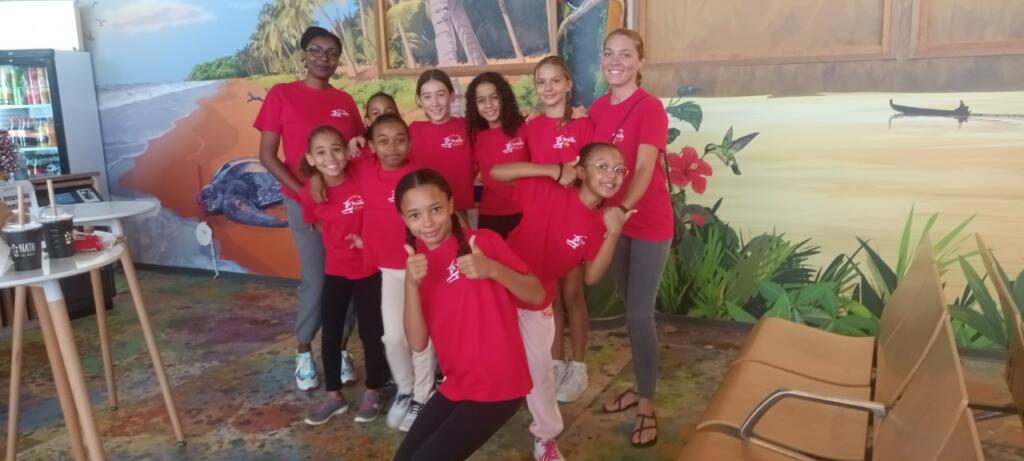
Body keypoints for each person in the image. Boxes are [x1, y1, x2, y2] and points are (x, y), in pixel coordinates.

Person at [491, 142, 634, 460]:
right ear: (581, 171)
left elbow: (592, 277)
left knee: (541, 372)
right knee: (482, 358)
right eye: (602, 166)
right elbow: (497, 172)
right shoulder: (548, 190)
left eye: (618, 170)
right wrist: (553, 170)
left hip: (537, 299)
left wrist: (613, 234)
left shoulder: (600, 222)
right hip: (499, 289)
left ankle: (545, 438)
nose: (611, 175)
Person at [393, 169, 544, 461]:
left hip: (498, 385)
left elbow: (537, 295)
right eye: (415, 215)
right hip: (458, 383)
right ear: (404, 219)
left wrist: (493, 269)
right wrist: (411, 285)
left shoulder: (484, 242)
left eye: (436, 209)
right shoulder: (418, 265)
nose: (428, 223)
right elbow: (418, 343)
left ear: (451, 205)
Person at [253, 26, 365, 391]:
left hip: (346, 204)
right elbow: (267, 156)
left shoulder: (344, 101)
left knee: (349, 275)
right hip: (303, 201)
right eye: (316, 50)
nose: (323, 58)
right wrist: (305, 193)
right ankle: (304, 351)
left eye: (332, 53)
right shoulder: (281, 94)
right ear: (303, 55)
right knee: (316, 279)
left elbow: (355, 153)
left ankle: (340, 349)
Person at [589, 28, 672, 448]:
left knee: (640, 315)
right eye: (609, 53)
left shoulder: (649, 107)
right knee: (629, 308)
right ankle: (640, 385)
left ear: (640, 62)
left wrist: (622, 209)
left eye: (625, 54)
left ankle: (646, 403)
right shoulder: (596, 109)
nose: (615, 61)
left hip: (647, 222)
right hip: (612, 224)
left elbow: (643, 168)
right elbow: (591, 166)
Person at [297, 126, 388, 425]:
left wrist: (359, 141)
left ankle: (374, 389)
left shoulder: (361, 175)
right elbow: (317, 224)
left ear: (346, 151)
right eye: (321, 152)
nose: (331, 157)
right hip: (336, 270)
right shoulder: (310, 194)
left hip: (369, 269)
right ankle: (334, 396)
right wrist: (315, 179)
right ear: (311, 158)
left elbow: (373, 154)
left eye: (336, 149)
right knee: (331, 333)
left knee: (372, 333)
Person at [351, 114, 436, 432]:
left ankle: (423, 396)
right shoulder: (363, 169)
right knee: (393, 337)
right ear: (372, 146)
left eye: (400, 139)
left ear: (409, 143)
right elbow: (327, 167)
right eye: (383, 141)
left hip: (418, 267)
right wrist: (351, 145)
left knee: (420, 337)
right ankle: (405, 388)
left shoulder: (418, 175)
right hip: (388, 271)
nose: (392, 147)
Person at [524, 56, 596, 403]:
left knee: (572, 294)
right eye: (542, 82)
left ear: (568, 84)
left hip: (573, 222)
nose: (549, 88)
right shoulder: (531, 126)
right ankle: (554, 363)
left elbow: (592, 172)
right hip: (541, 223)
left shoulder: (584, 125)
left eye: (556, 80)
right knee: (549, 298)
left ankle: (578, 367)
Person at [465, 72, 529, 238]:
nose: (488, 105)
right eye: (481, 100)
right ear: (474, 105)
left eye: (494, 98)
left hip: (526, 210)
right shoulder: (474, 136)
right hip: (491, 215)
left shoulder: (525, 128)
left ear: (504, 98)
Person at [408, 70, 476, 220]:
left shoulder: (467, 127)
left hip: (459, 212)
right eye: (427, 97)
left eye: (440, 95)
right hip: (425, 215)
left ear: (452, 96)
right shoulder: (412, 131)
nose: (435, 103)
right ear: (419, 100)